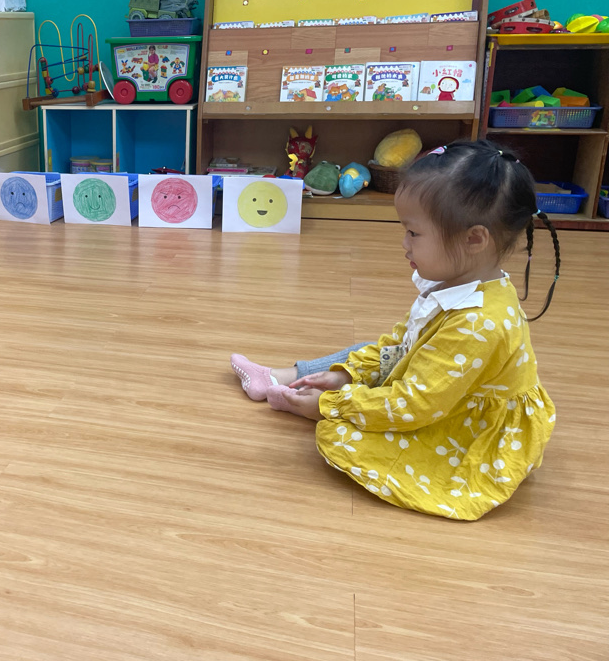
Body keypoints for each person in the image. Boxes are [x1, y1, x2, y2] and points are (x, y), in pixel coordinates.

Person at [231, 141, 560, 520]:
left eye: (414, 233)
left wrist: (329, 407)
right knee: (369, 351)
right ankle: (281, 378)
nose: (404, 244)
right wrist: (344, 377)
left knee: (344, 437)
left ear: (474, 239)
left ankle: (291, 388)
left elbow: (414, 405)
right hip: (438, 391)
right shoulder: (460, 282)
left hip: (466, 421)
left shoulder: (477, 324)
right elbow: (401, 342)